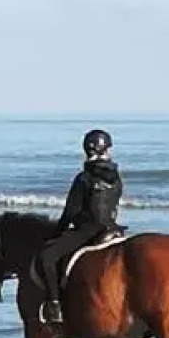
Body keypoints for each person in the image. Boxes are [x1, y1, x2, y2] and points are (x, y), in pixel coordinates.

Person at [38, 128, 123, 325]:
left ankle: (54, 305)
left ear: (87, 150)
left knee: (47, 257)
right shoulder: (116, 176)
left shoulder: (84, 178)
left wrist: (56, 235)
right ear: (107, 149)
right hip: (112, 228)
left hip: (89, 230)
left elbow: (70, 212)